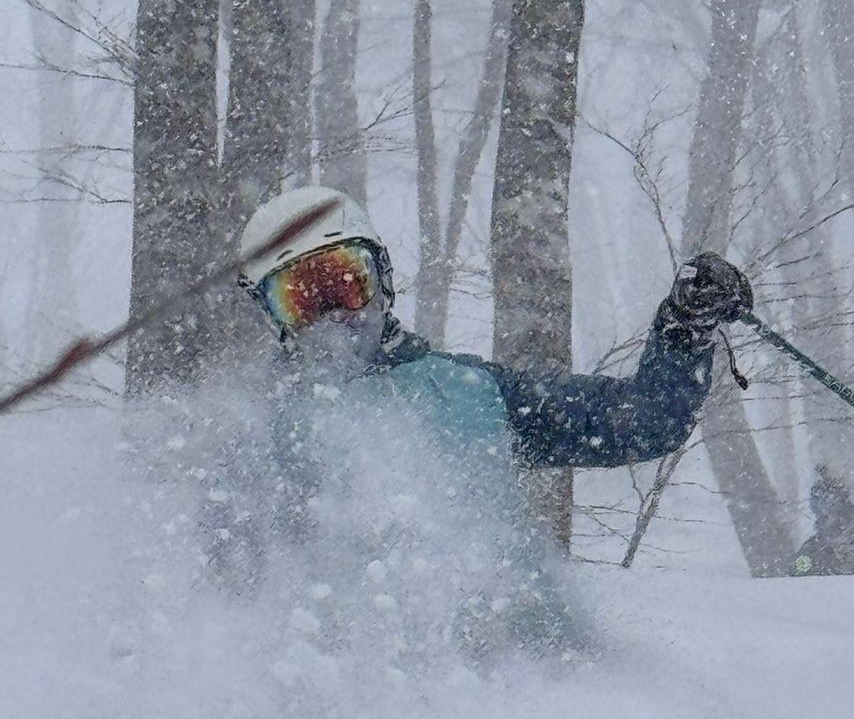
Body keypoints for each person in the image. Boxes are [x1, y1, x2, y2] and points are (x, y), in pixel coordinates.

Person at [210, 185, 752, 648]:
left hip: (534, 685)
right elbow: (227, 599)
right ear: (275, 318)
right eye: (303, 301)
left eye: (349, 283)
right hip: (372, 701)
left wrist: (684, 329)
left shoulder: (472, 393)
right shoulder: (262, 437)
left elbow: (644, 421)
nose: (335, 318)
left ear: (383, 281)